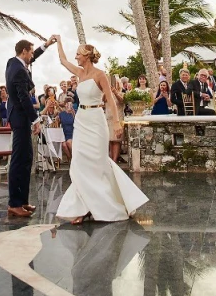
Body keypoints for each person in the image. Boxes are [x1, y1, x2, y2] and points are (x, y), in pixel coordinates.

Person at [53, 35, 149, 223]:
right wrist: (58, 41)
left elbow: (111, 99)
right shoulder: (80, 74)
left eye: (78, 54)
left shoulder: (100, 75)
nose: (76, 57)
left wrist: (116, 123)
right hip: (81, 120)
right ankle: (82, 207)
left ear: (87, 56)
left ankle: (103, 204)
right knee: (79, 162)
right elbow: (62, 61)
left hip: (96, 120)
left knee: (97, 163)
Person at [5, 35, 57, 217]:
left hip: (20, 117)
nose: (31, 56)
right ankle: (14, 203)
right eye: (30, 52)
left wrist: (46, 45)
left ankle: (23, 200)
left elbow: (33, 56)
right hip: (20, 119)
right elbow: (23, 97)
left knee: (27, 158)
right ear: (24, 51)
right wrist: (35, 120)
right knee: (19, 160)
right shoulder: (19, 70)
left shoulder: (14, 63)